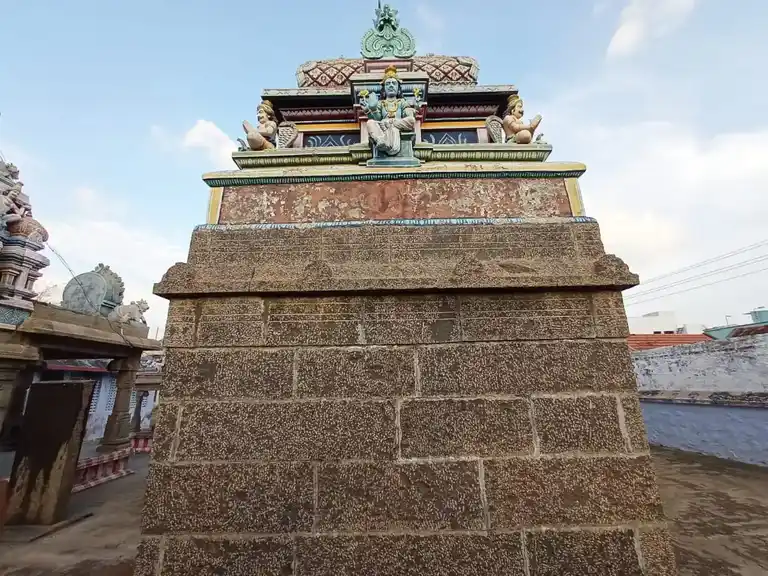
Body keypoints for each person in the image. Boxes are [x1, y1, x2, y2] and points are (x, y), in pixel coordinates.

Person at [360, 65, 418, 156]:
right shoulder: (381, 103)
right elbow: (377, 118)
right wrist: (371, 108)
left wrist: (412, 110)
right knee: (370, 122)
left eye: (394, 83)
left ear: (398, 88)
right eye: (388, 84)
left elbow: (408, 116)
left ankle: (389, 129)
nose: (391, 86)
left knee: (411, 120)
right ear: (384, 89)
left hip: (395, 123)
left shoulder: (401, 102)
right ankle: (381, 140)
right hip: (383, 125)